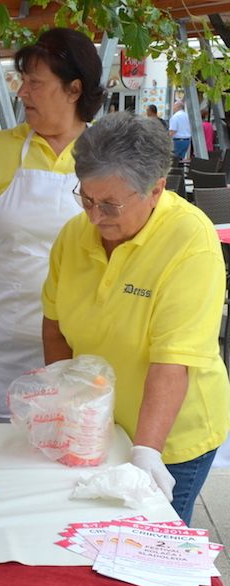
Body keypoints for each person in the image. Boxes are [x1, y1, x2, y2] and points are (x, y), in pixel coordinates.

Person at [42, 112, 230, 525]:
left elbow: (171, 362)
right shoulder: (74, 236)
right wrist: (66, 403)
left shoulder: (190, 242)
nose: (94, 216)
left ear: (156, 189)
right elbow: (55, 325)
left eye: (110, 204)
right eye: (86, 198)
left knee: (145, 548)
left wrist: (146, 452)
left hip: (171, 436)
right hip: (99, 426)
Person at [0, 28, 104, 422]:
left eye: (35, 82)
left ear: (74, 89)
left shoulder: (103, 156)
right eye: (22, 81)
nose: (22, 92)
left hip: (70, 344)